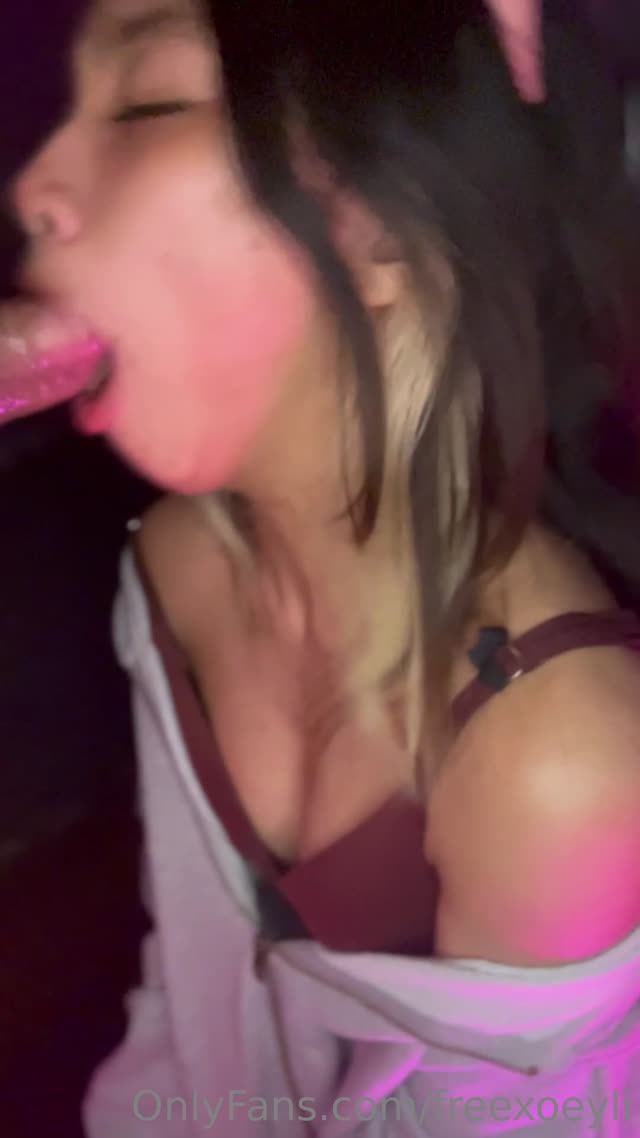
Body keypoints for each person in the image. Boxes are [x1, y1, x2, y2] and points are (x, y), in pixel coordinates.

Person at [9, 0, 640, 1135]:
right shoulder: (175, 569)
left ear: (384, 231)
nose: (34, 187)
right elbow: (185, 1014)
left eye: (148, 102)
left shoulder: (556, 758)